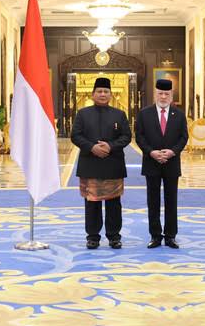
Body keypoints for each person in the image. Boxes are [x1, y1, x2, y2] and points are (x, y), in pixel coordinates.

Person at [71, 77, 131, 249]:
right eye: (99, 91)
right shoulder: (83, 114)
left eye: (106, 91)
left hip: (113, 164)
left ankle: (114, 236)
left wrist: (110, 146)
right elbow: (75, 136)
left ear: (111, 95)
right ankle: (93, 237)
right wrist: (92, 147)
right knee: (92, 203)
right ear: (93, 94)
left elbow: (126, 136)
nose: (103, 94)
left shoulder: (119, 114)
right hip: (90, 163)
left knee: (114, 204)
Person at [135, 79, 188, 249]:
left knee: (171, 201)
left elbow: (183, 137)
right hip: (151, 163)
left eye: (167, 94)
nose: (163, 97)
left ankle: (170, 236)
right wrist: (151, 152)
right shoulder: (144, 114)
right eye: (160, 93)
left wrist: (172, 152)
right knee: (153, 201)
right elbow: (139, 136)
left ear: (171, 95)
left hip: (172, 164)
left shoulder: (179, 114)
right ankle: (155, 236)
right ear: (155, 94)